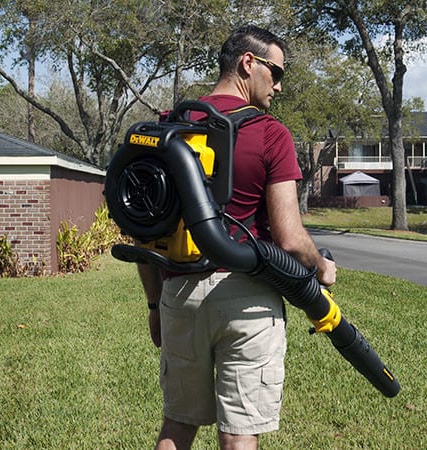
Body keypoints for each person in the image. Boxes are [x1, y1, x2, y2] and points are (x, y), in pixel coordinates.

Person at [135, 25, 336, 450]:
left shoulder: (168, 127)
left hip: (180, 292)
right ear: (249, 63)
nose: (278, 86)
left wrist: (155, 304)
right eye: (276, 73)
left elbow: (144, 232)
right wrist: (321, 267)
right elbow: (288, 238)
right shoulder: (271, 134)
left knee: (177, 424)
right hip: (247, 299)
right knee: (239, 433)